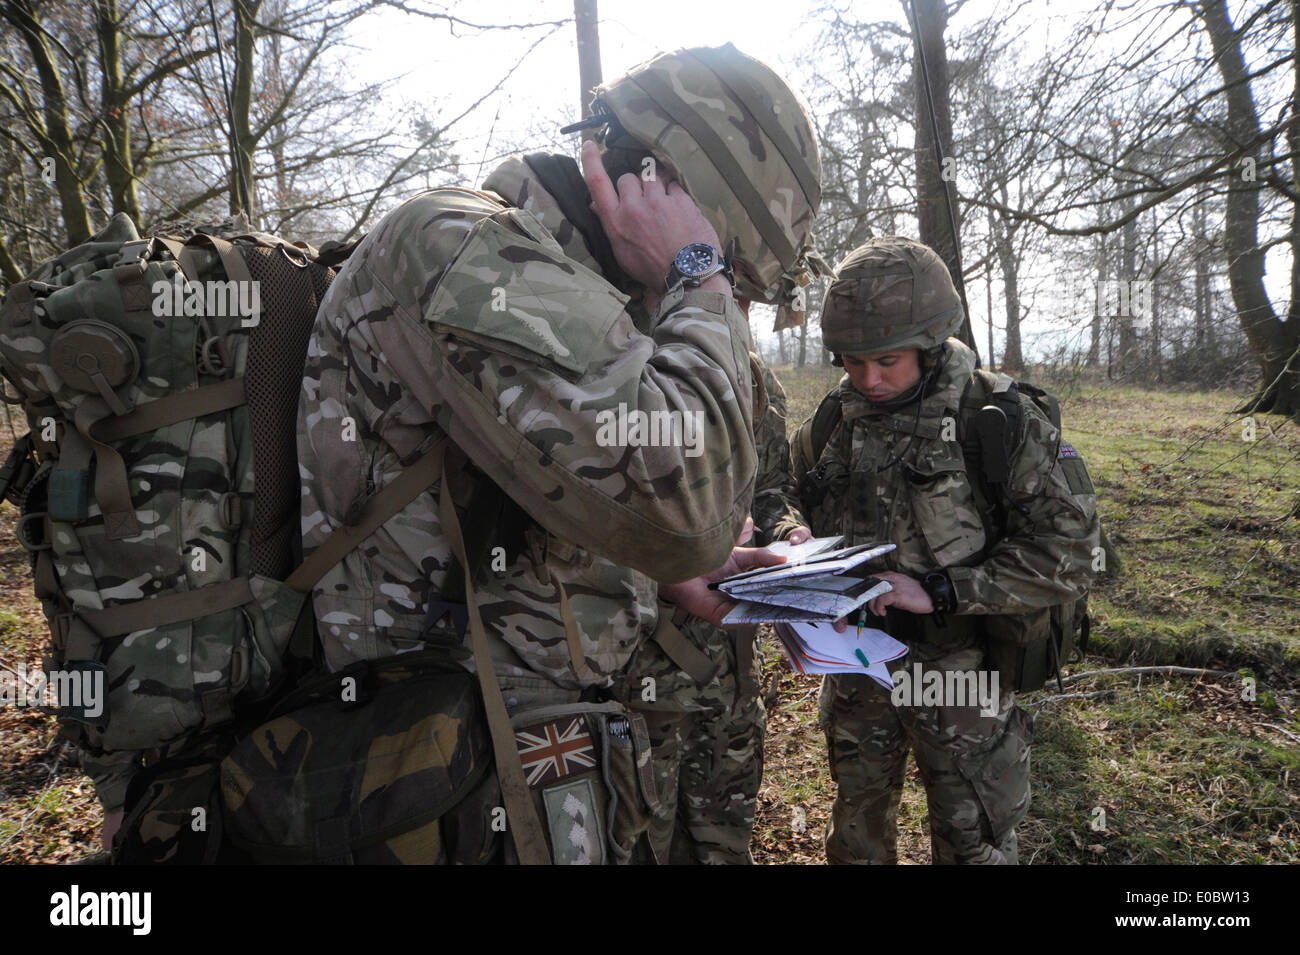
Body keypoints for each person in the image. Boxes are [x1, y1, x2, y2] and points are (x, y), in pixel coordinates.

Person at [295, 44, 824, 863]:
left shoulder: (580, 288)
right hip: (438, 771)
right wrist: (699, 276)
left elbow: (569, 495)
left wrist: (668, 575)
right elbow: (692, 502)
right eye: (732, 271)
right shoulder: (465, 251)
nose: (734, 306)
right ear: (657, 188)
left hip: (527, 754)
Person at [791, 236, 1100, 864]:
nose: (868, 380)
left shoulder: (996, 419)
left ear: (930, 348)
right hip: (858, 666)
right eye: (851, 362)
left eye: (887, 361)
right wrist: (790, 536)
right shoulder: (837, 419)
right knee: (855, 831)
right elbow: (784, 491)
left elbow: (1070, 554)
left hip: (962, 675)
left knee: (972, 841)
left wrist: (941, 590)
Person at [612, 352, 814, 864]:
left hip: (733, 669)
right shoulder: (625, 365)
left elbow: (771, 486)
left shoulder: (756, 378)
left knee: (723, 837)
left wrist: (785, 529)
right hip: (641, 674)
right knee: (638, 837)